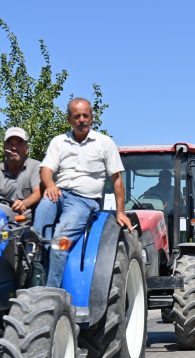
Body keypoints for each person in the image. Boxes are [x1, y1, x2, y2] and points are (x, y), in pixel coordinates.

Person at [33, 98, 133, 288]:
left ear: (91, 118)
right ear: (69, 119)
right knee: (36, 233)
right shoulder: (58, 142)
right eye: (77, 116)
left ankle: (51, 291)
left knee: (59, 241)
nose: (82, 120)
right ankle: (34, 271)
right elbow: (45, 169)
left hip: (84, 201)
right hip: (58, 194)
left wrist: (120, 211)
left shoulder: (104, 143)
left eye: (85, 115)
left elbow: (117, 179)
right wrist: (51, 184)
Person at [0, 127, 41, 218]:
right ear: (4, 148)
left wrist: (24, 203)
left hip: (31, 224)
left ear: (27, 149)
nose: (14, 148)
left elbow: (38, 192)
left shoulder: (36, 167)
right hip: (2, 224)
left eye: (19, 143)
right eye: (10, 143)